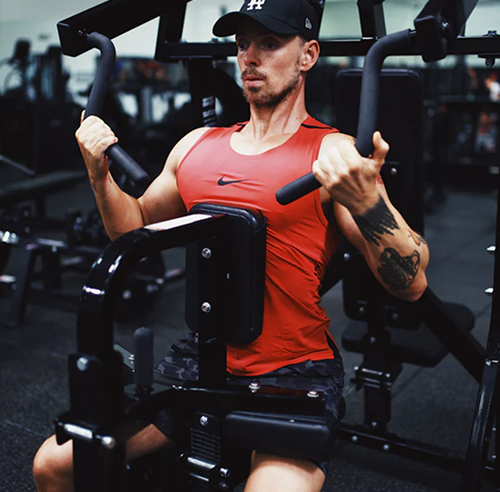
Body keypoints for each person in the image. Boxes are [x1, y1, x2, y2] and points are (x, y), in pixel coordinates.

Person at [32, 0, 430, 491]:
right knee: (53, 465)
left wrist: (369, 202)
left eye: (269, 43)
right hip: (200, 360)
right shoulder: (197, 145)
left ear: (308, 55)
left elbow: (411, 283)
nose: (250, 58)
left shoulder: (333, 153)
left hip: (293, 369)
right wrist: (99, 176)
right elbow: (134, 228)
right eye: (242, 45)